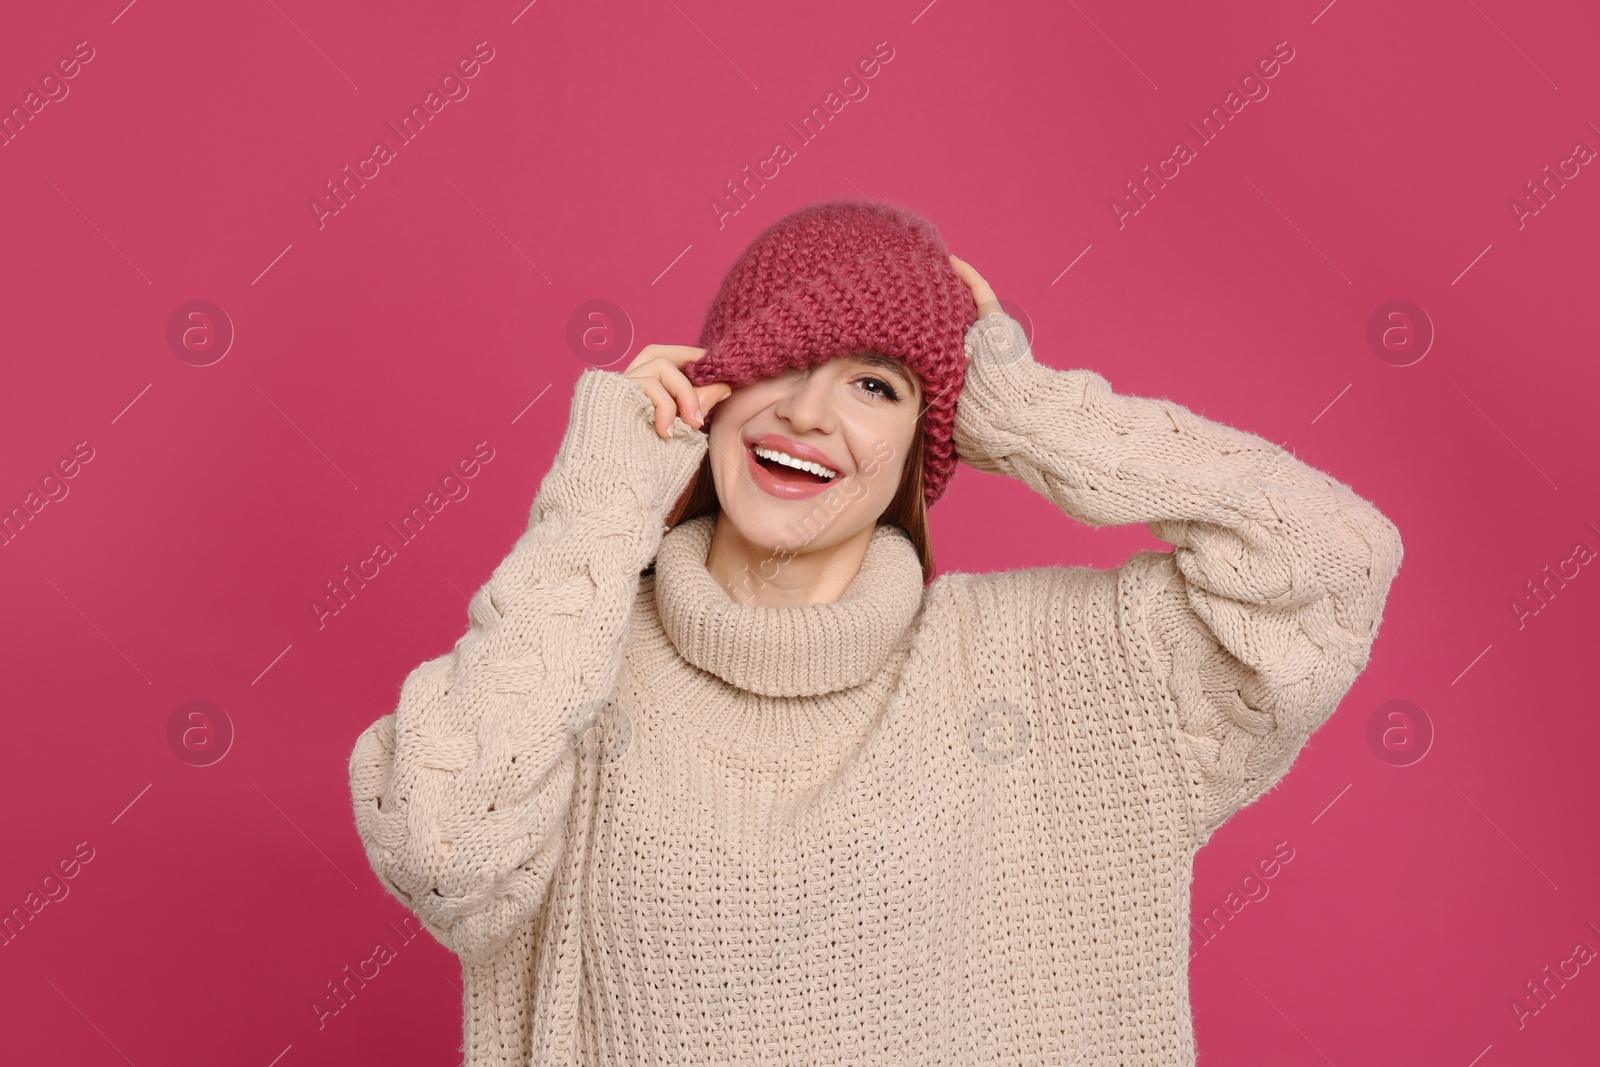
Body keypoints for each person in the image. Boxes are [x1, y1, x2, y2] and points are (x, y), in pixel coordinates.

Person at [347, 200, 1404, 1065]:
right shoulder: (576, 672)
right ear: (711, 394)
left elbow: (1330, 561)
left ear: (924, 443)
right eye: (781, 360)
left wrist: (1022, 408)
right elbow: (442, 850)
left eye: (874, 384)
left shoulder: (1066, 666)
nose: (808, 410)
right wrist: (594, 508)